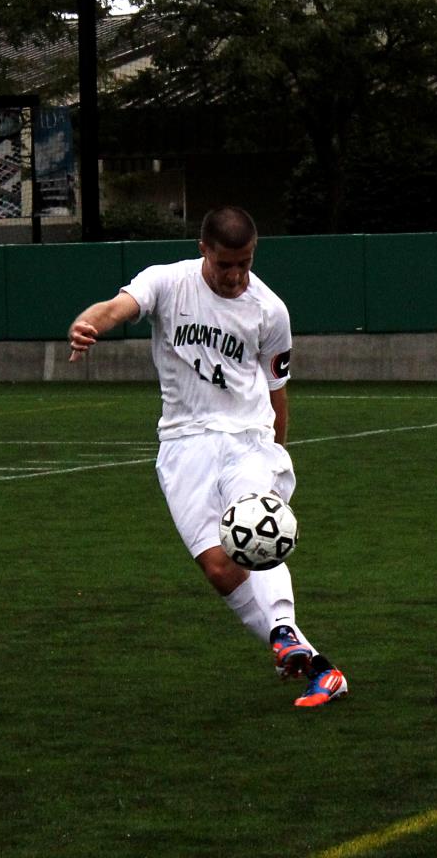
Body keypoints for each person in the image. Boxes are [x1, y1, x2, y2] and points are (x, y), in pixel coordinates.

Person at [68, 205, 347, 708]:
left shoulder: (270, 310)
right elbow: (115, 307)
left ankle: (282, 628)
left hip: (247, 439)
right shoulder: (167, 283)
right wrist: (87, 325)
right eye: (225, 265)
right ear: (204, 251)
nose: (236, 275)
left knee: (258, 526)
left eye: (245, 263)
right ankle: (318, 668)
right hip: (183, 444)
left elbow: (278, 390)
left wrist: (276, 455)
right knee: (221, 569)